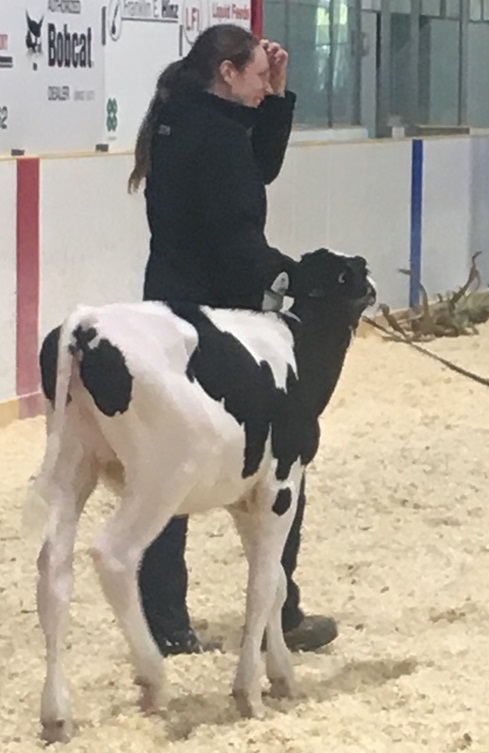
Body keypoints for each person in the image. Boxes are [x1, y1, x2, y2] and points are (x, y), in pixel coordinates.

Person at [126, 23, 338, 656]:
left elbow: (258, 166)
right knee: (281, 456)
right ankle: (280, 609)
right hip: (216, 320)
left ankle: (166, 620)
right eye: (254, 76)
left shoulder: (187, 118)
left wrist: (276, 93)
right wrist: (291, 277)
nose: (260, 86)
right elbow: (236, 234)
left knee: (165, 468)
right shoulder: (209, 135)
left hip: (175, 303)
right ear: (226, 73)